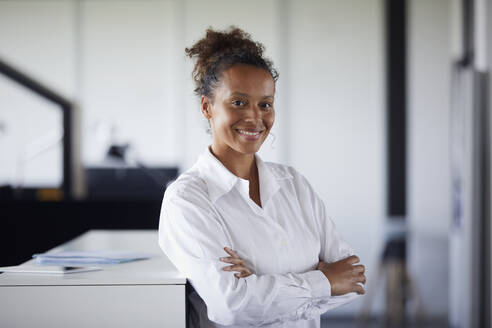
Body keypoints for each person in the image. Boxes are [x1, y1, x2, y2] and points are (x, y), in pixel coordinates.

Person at [158, 27, 366, 328]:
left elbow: (354, 280)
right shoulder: (187, 199)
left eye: (265, 104)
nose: (255, 117)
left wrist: (260, 286)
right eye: (238, 102)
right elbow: (232, 306)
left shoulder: (293, 185)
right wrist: (323, 280)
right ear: (207, 107)